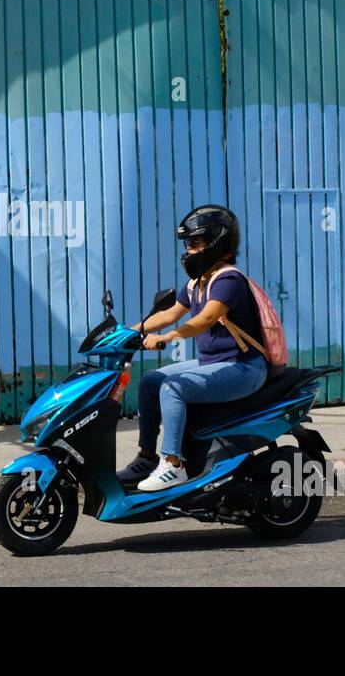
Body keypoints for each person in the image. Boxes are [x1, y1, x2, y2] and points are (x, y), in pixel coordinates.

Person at [117, 205, 270, 492]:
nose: (188, 250)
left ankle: (173, 465)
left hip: (244, 367)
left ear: (217, 243)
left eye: (195, 243)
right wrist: (127, 331)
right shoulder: (198, 281)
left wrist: (168, 337)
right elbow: (170, 313)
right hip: (215, 362)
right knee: (151, 381)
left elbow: (206, 318)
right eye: (187, 244)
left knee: (172, 387)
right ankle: (147, 458)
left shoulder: (228, 279)